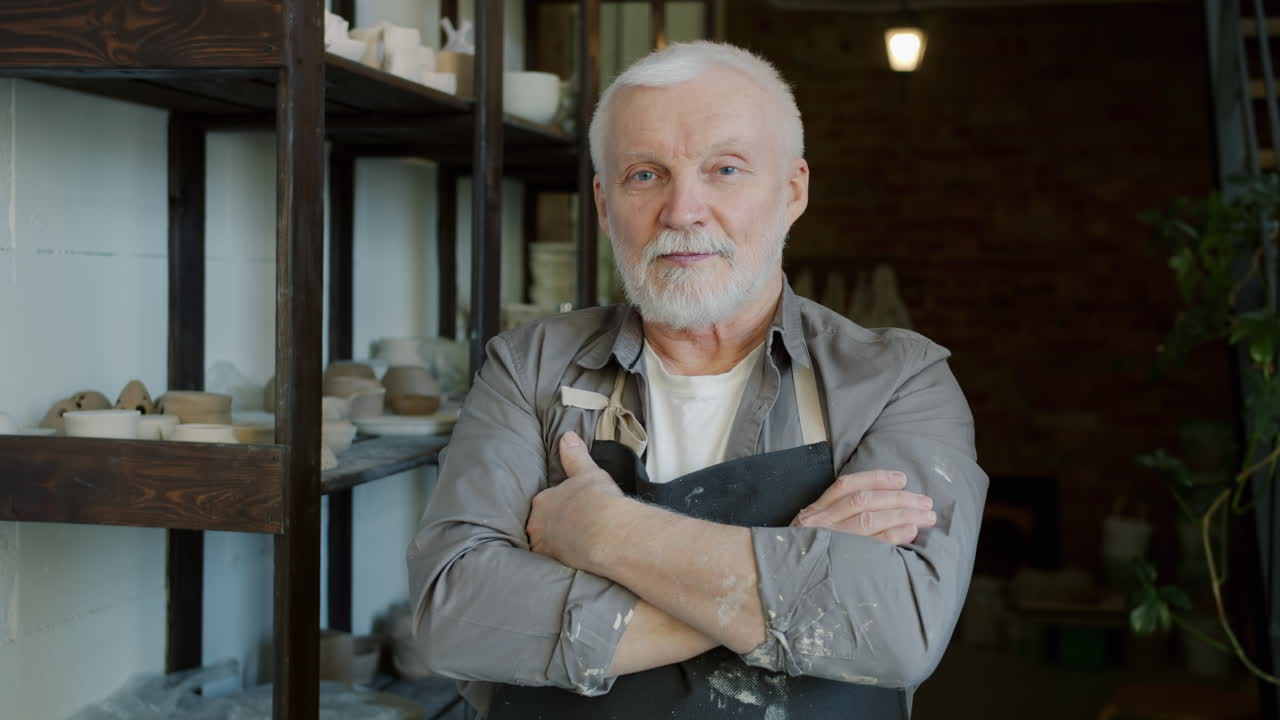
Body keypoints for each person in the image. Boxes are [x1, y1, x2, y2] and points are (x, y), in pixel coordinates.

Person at [406, 40, 988, 719]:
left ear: (792, 190)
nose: (683, 210)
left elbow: (897, 629)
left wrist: (604, 534)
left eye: (726, 169)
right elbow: (453, 616)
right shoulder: (528, 368)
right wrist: (801, 568)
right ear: (603, 201)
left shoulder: (896, 382)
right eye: (645, 175)